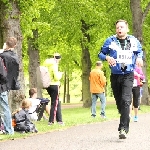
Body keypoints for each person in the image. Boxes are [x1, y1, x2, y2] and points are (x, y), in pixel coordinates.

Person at [98, 19, 143, 139]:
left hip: (128, 74)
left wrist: (139, 58)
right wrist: (107, 57)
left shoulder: (133, 41)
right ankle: (124, 115)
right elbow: (100, 54)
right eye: (117, 27)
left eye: (122, 27)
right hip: (115, 75)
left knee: (126, 100)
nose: (119, 29)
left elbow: (139, 52)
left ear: (127, 29)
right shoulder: (110, 41)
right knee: (119, 102)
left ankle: (123, 128)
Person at [43, 53, 64, 125]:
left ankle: (60, 120)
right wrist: (60, 74)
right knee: (54, 103)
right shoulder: (54, 65)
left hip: (48, 85)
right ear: (59, 59)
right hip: (55, 85)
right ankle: (51, 121)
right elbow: (56, 77)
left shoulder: (46, 64)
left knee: (57, 102)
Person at [0, 56, 14, 135]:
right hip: (1, 87)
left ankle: (6, 129)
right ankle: (9, 130)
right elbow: (3, 74)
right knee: (5, 109)